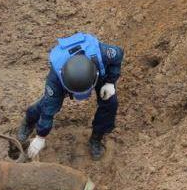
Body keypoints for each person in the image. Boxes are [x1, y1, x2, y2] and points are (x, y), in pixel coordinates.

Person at [18, 32, 124, 161]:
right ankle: (29, 121)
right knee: (47, 103)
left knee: (110, 102)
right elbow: (48, 110)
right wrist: (41, 136)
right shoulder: (55, 79)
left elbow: (119, 54)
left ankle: (96, 138)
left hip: (94, 75)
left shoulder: (102, 53)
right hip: (66, 80)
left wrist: (110, 82)